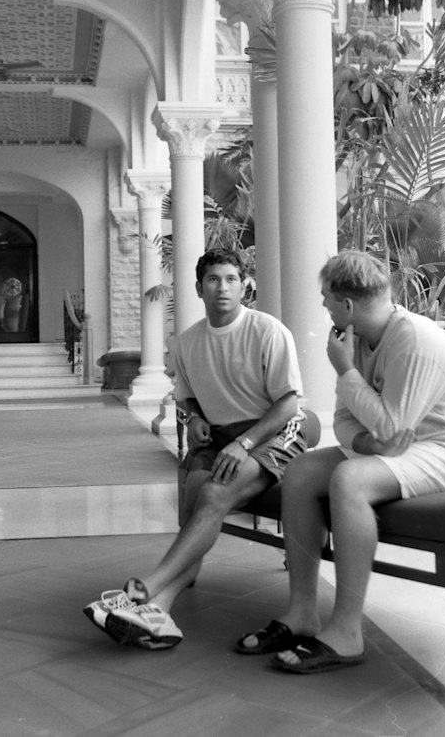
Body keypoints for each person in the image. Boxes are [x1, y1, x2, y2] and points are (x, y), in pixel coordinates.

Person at [237, 250, 445, 673]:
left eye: (326, 298)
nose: (323, 306)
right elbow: (346, 419)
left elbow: (390, 426)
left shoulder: (412, 339)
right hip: (401, 447)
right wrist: (369, 445)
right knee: (300, 471)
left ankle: (347, 632)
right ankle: (301, 612)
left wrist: (347, 372)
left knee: (349, 480)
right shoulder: (355, 340)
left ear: (346, 305)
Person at [84, 248, 308, 650]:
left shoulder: (268, 331)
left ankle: (143, 589)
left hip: (272, 434)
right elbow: (187, 398)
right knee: (193, 505)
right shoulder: (187, 342)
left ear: (244, 286)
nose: (223, 288)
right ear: (198, 288)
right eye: (213, 280)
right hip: (221, 437)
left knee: (213, 494)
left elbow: (289, 404)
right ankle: (161, 613)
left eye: (231, 279)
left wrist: (245, 443)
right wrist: (197, 420)